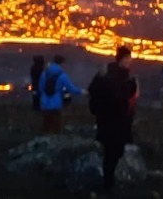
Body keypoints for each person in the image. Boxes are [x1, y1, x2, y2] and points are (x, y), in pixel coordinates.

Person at [88, 46, 139, 193]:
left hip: (111, 120)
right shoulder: (115, 76)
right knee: (113, 151)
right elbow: (118, 96)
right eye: (127, 58)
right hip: (112, 120)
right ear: (121, 59)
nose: (130, 61)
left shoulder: (113, 73)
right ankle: (107, 182)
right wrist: (131, 87)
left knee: (113, 150)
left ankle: (108, 180)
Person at [38, 55, 84, 134]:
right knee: (56, 128)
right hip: (56, 104)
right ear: (62, 63)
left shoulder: (44, 74)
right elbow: (71, 88)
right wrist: (82, 91)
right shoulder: (62, 75)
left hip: (45, 104)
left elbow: (40, 88)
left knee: (46, 127)